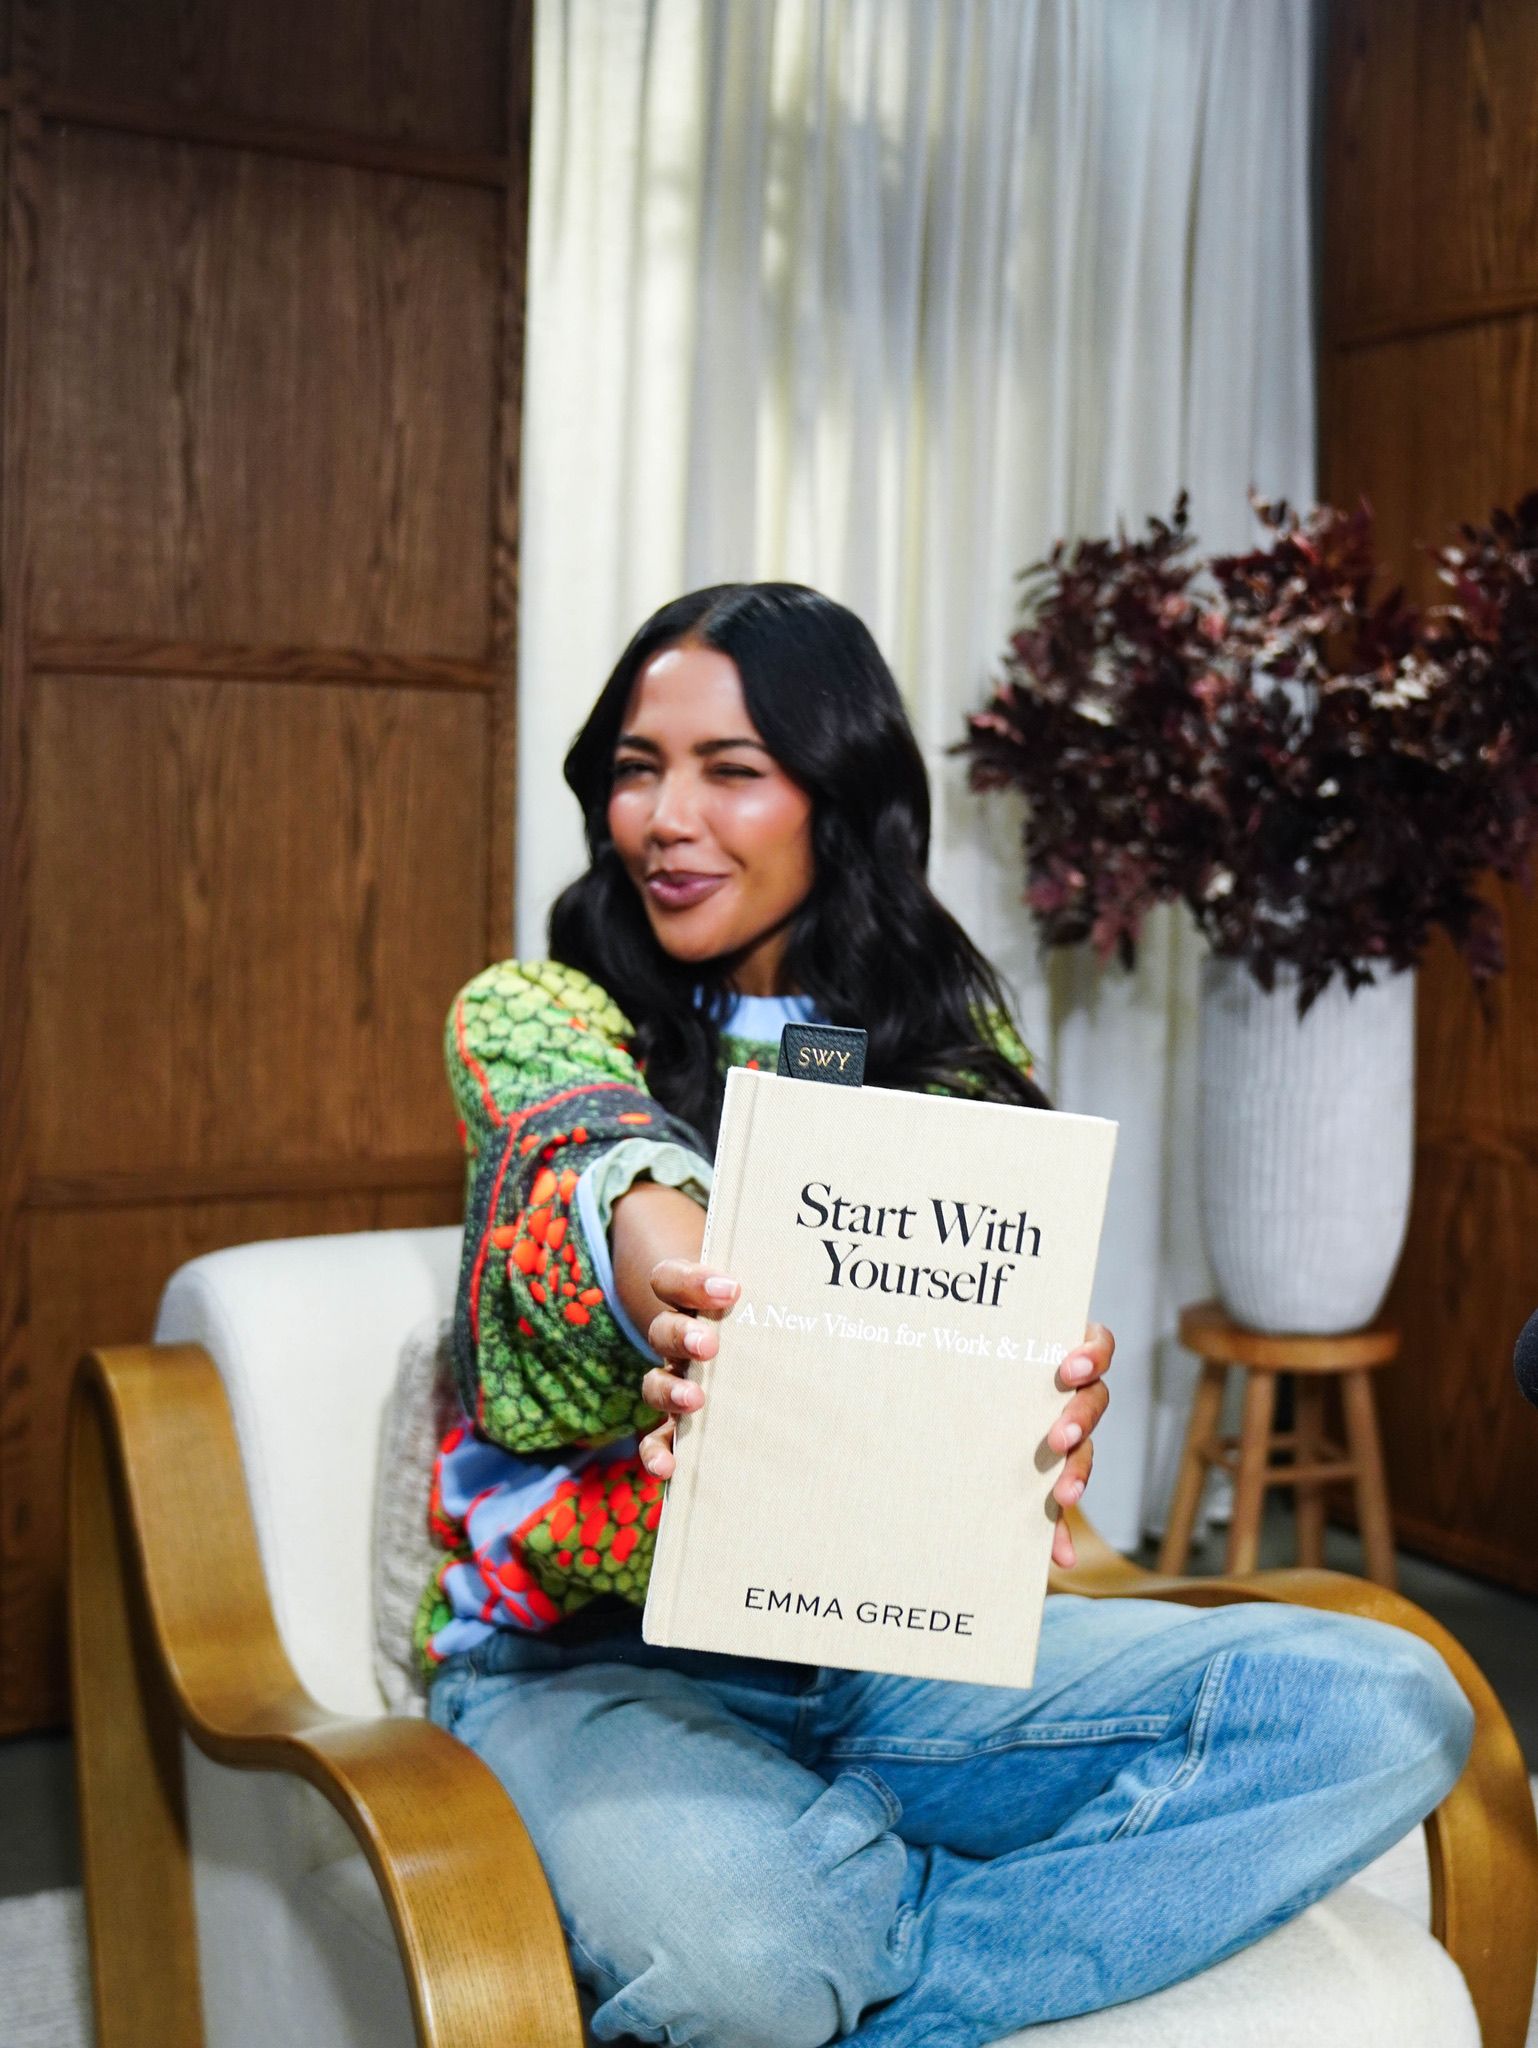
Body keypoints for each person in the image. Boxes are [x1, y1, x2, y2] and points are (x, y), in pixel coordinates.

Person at [419, 583, 1473, 2047]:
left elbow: (965, 1386)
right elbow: (590, 1159)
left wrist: (1035, 1414)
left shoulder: (951, 1052)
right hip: (584, 1666)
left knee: (1385, 1709)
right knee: (754, 1964)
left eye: (730, 770)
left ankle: (855, 1909)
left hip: (877, 1650)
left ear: (836, 796)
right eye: (633, 768)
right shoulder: (534, 1007)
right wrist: (700, 1293)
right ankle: (834, 1901)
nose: (665, 816)